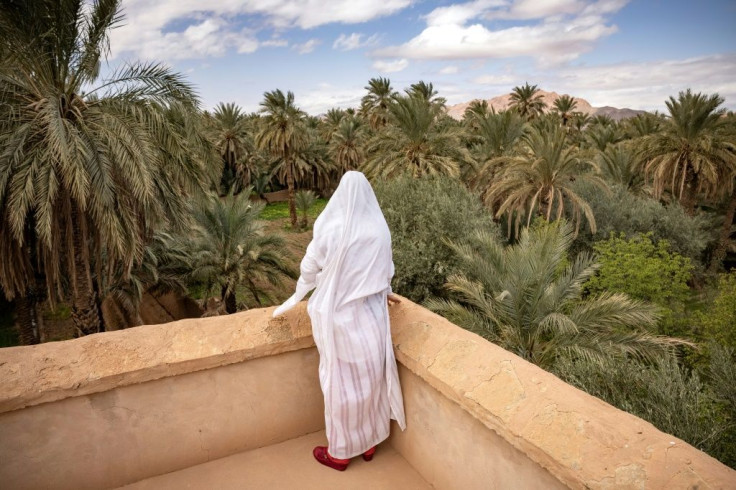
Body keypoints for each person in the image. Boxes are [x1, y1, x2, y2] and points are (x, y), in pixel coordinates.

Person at [272, 171, 406, 471]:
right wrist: (385, 291)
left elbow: (309, 266)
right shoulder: (379, 230)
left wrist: (301, 290)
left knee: (340, 387)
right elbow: (385, 271)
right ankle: (369, 444)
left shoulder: (331, 227)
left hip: (338, 321)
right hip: (372, 318)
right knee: (370, 382)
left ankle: (340, 453)